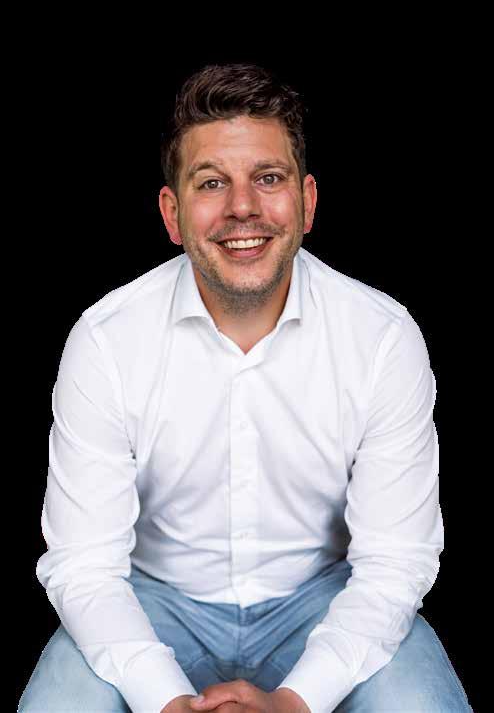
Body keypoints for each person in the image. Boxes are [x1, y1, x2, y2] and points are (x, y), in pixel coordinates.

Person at [18, 63, 472, 713]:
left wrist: (297, 700)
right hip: (151, 603)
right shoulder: (106, 340)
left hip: (327, 602)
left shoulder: (382, 337)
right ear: (172, 214)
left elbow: (394, 563)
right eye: (211, 182)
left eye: (268, 178)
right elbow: (85, 566)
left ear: (307, 202)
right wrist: (166, 699)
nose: (242, 207)